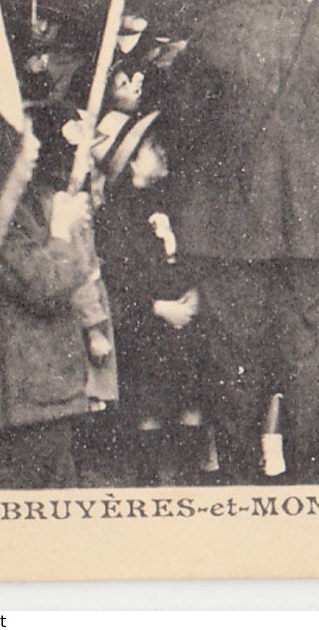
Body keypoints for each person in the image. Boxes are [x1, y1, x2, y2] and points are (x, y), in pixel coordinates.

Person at [165, 0, 319, 483]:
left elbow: (182, 137)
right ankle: (306, 482)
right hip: (312, 232)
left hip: (226, 231)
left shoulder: (211, 33)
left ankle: (240, 483)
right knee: (306, 361)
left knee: (234, 362)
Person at [0, 113, 99, 490]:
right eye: (23, 137)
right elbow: (44, 284)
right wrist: (61, 231)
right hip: (12, 410)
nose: (35, 148)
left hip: (34, 403)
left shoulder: (19, 201)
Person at [92, 110, 211, 485]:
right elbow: (117, 282)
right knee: (149, 401)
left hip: (181, 320)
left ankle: (190, 480)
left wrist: (183, 274)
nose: (162, 152)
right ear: (131, 162)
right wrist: (158, 308)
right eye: (152, 147)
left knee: (193, 399)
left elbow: (188, 260)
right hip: (142, 326)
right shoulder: (112, 215)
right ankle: (148, 483)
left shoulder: (171, 200)